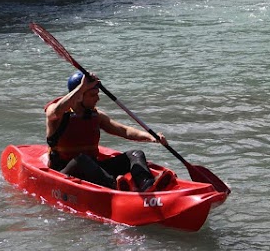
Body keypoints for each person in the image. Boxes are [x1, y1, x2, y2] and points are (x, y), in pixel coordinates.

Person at [44, 71, 174, 192]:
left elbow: (124, 130)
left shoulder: (96, 116)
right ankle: (114, 186)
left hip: (94, 168)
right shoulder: (57, 114)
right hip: (65, 170)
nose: (97, 99)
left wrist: (151, 137)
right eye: (92, 95)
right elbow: (56, 111)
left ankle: (147, 185)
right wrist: (82, 87)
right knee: (82, 160)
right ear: (78, 97)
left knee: (135, 154)